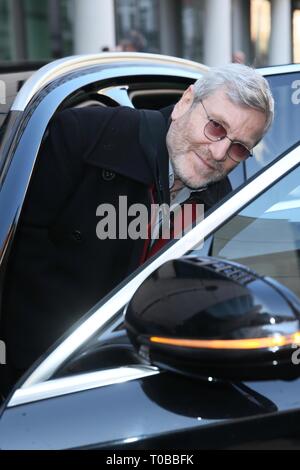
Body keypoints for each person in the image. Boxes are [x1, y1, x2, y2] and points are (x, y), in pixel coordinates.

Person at [1, 63, 274, 390]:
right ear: (185, 103)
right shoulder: (83, 136)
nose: (219, 152)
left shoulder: (220, 204)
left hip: (132, 383)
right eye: (216, 127)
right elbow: (17, 261)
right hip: (34, 381)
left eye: (239, 147)